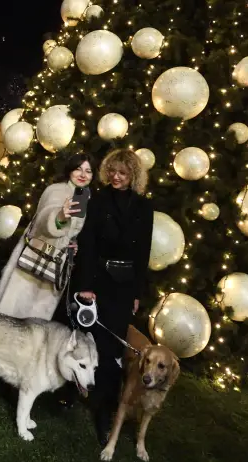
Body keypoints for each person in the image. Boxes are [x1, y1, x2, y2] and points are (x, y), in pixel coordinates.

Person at [71, 148, 154, 446]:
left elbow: (142, 253)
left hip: (123, 285)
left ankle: (104, 411)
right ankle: (73, 390)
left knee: (112, 351)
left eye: (123, 173)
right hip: (97, 280)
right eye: (112, 171)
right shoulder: (98, 199)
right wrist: (85, 284)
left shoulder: (144, 208)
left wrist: (135, 293)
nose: (116, 177)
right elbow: (88, 242)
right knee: (86, 337)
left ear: (133, 175)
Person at [0, 153, 94, 320]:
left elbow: (74, 231)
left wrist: (73, 244)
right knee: (11, 314)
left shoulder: (85, 198)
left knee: (36, 321)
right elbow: (45, 218)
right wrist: (60, 216)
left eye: (88, 171)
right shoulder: (56, 190)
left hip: (56, 264)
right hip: (34, 258)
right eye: (78, 169)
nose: (83, 175)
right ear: (70, 170)